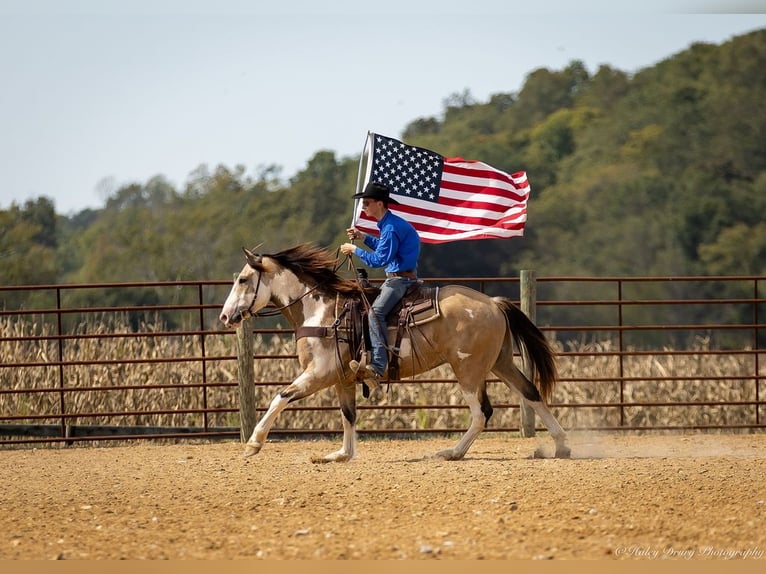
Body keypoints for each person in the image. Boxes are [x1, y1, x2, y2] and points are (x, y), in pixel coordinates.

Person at [340, 181, 421, 390]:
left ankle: (377, 366)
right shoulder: (389, 225)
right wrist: (363, 237)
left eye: (367, 203)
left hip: (399, 280)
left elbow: (379, 260)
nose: (364, 207)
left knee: (375, 313)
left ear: (380, 204)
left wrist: (354, 250)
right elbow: (385, 248)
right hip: (398, 277)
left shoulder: (391, 227)